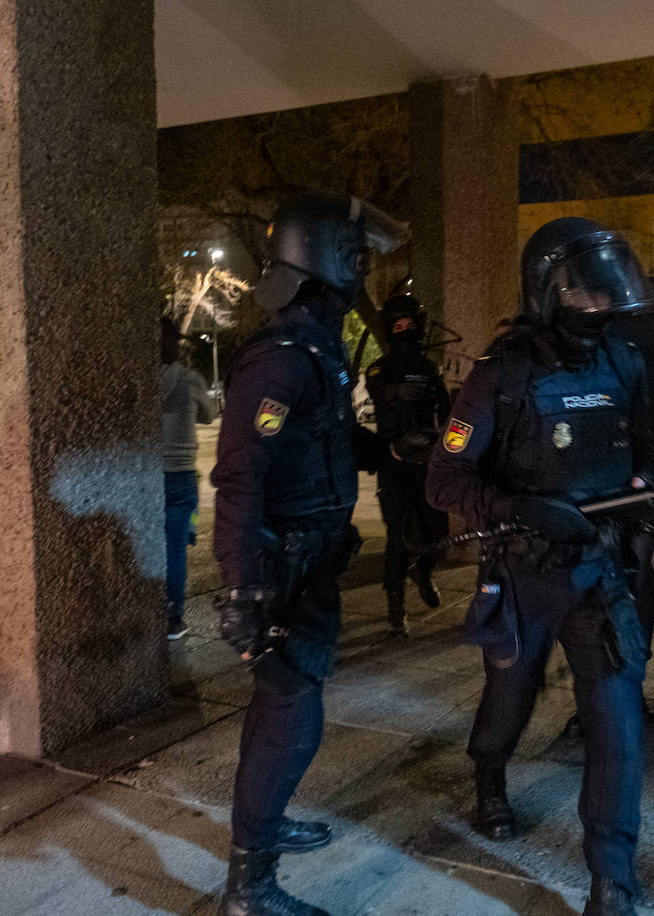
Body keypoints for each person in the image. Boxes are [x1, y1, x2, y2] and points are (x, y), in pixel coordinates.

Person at [426, 217, 654, 916]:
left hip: (599, 574)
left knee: (617, 724)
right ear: (550, 292)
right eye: (587, 294)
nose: (602, 306)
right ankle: (488, 775)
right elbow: (443, 481)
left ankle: (610, 878)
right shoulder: (502, 376)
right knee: (507, 709)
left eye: (608, 293)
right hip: (523, 576)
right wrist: (520, 508)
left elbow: (646, 453)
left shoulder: (624, 362)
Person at [211, 191, 406, 916]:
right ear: (326, 259)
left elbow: (315, 443)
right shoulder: (281, 359)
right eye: (356, 259)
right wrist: (241, 584)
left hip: (311, 559)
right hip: (282, 568)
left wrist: (384, 449)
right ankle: (249, 888)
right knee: (290, 712)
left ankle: (264, 826)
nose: (364, 272)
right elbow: (241, 473)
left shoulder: (319, 345)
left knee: (288, 708)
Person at [365, 293, 451, 636]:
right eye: (397, 326)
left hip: (427, 461)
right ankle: (395, 608)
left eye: (409, 326)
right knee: (397, 538)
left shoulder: (431, 369)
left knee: (438, 534)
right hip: (394, 462)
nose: (404, 331)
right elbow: (380, 391)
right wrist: (399, 391)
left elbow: (445, 412)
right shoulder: (380, 369)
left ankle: (424, 571)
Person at [160, 316, 218, 641]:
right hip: (182, 475)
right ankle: (173, 617)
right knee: (175, 549)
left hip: (148, 475)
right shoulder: (189, 379)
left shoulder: (139, 378)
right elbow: (210, 415)